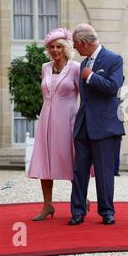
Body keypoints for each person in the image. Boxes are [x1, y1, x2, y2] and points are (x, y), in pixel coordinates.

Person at [68, 23, 125, 225]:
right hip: (83, 125)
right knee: (79, 171)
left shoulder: (114, 59)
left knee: (104, 172)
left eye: (76, 45)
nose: (75, 49)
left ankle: (107, 212)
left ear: (84, 42)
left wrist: (91, 76)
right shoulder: (83, 63)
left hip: (105, 127)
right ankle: (77, 211)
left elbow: (113, 87)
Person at [27, 28, 81, 221]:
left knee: (72, 160)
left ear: (66, 48)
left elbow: (83, 95)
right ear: (48, 49)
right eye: (52, 47)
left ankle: (80, 199)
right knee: (45, 161)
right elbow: (46, 93)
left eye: (59, 46)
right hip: (47, 119)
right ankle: (47, 205)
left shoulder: (75, 67)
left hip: (68, 120)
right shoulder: (45, 67)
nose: (55, 50)